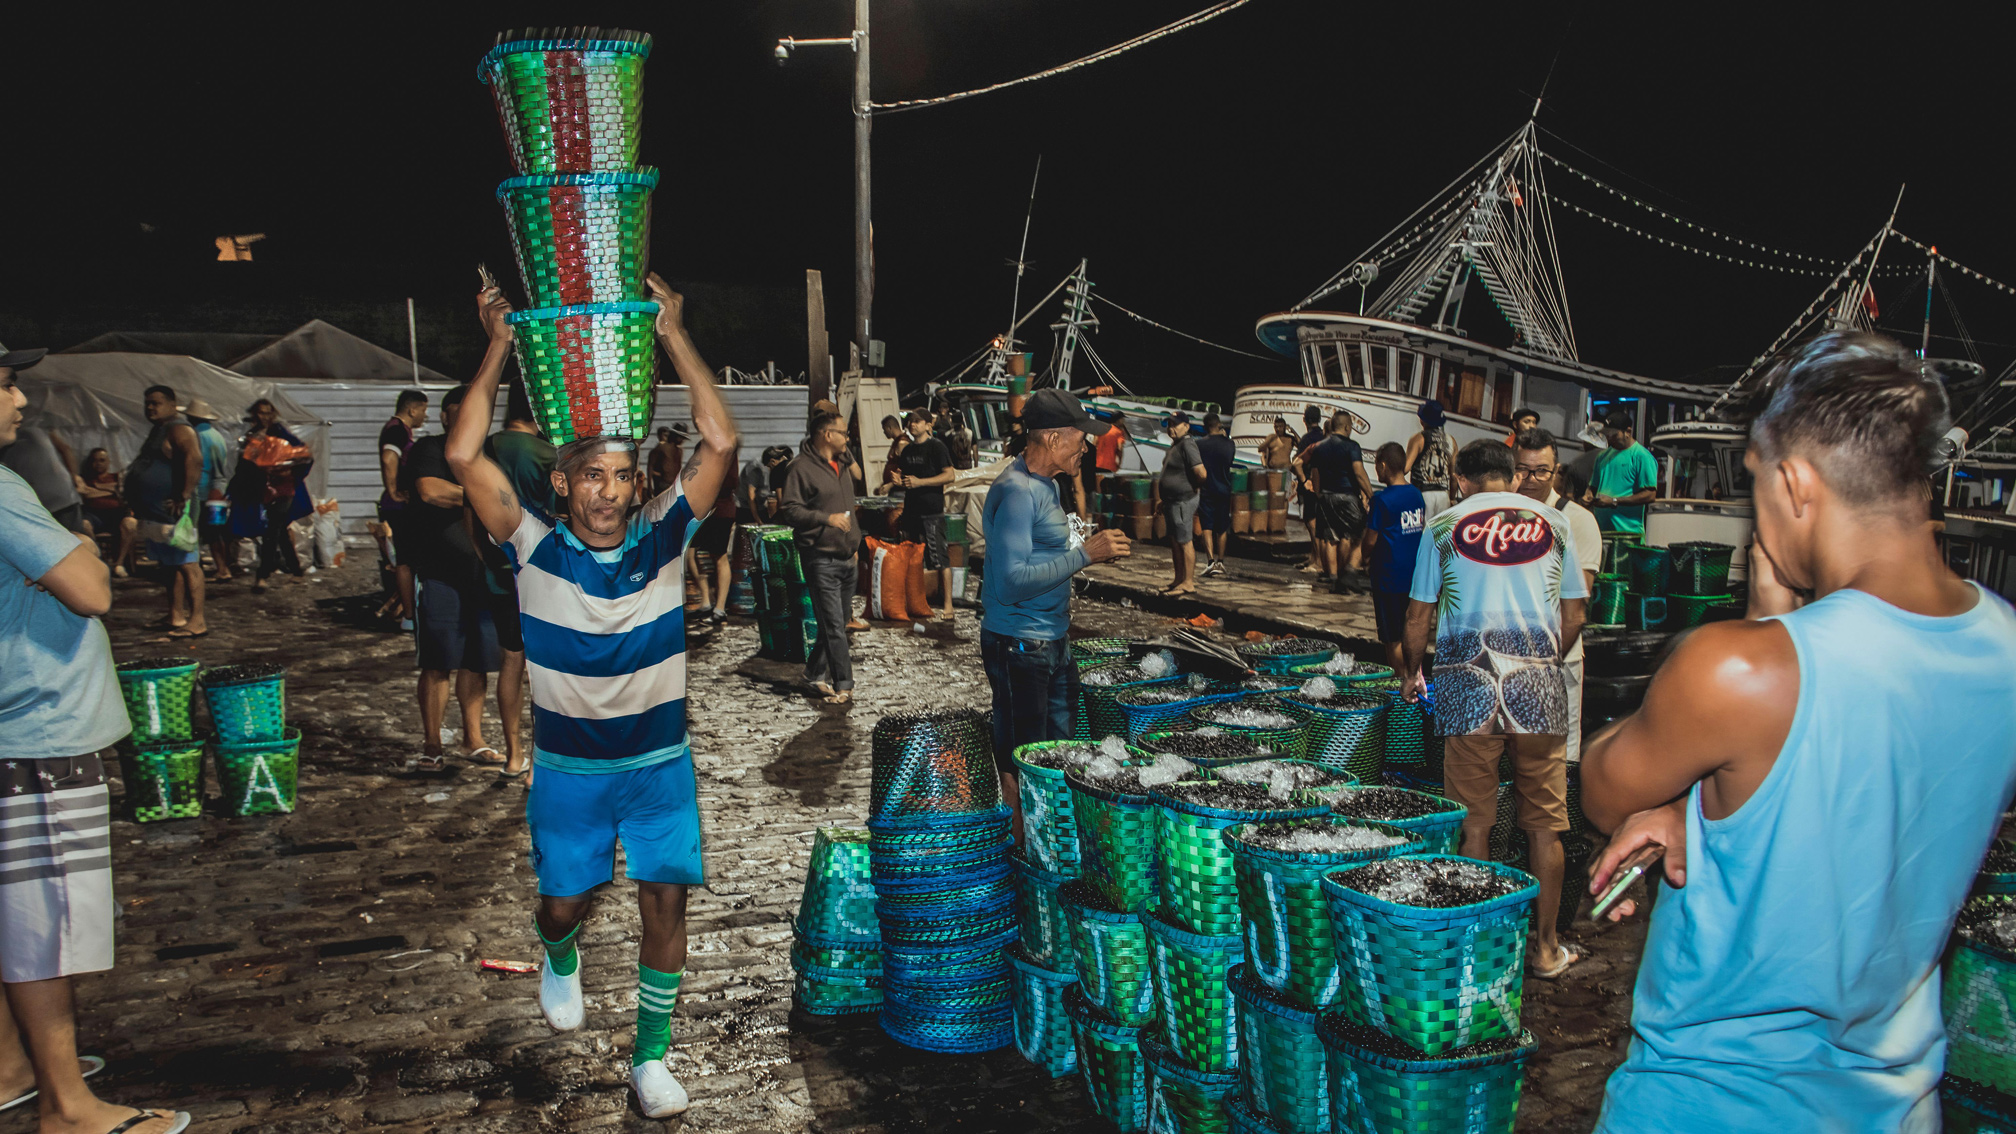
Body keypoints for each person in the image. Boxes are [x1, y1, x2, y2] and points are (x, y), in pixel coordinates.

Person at [1580, 333, 2016, 1131]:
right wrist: (1706, 806)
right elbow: (1877, 799)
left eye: (1755, 482)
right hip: (1895, 1105)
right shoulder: (2004, 645)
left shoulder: (1741, 671)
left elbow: (1604, 790)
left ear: (1794, 483)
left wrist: (1760, 623)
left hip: (1713, 1103)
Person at [449, 272, 738, 1120]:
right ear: (564, 484)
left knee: (665, 899)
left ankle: (650, 1060)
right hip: (571, 774)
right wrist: (498, 346)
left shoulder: (663, 537)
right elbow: (463, 456)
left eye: (620, 475)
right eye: (591, 476)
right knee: (562, 903)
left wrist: (672, 332)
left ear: (636, 482)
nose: (608, 491)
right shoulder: (532, 546)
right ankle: (558, 951)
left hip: (658, 767)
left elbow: (720, 442)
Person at [0, 356, 191, 1134]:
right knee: (42, 922)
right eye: (3, 383)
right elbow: (92, 588)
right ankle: (67, 1107)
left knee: (11, 907)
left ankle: (12, 1068)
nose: (18, 397)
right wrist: (75, 542)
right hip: (36, 725)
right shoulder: (3, 490)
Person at [1402, 439, 1588, 980]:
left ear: (1460, 480)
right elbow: (1576, 612)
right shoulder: (1555, 522)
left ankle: (1477, 953)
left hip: (1467, 686)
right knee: (1545, 828)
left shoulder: (1443, 527)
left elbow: (1418, 616)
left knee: (1474, 826)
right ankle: (1546, 950)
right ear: (1512, 476)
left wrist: (1412, 672)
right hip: (1539, 692)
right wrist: (1542, 661)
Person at [981, 389, 1130, 827]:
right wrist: (1085, 555)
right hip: (1019, 644)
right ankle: (1021, 849)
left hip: (1052, 640)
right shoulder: (1018, 492)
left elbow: (1044, 554)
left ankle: (1051, 842)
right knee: (1022, 763)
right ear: (1052, 439)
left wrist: (1085, 552)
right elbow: (1010, 583)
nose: (1086, 447)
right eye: (1080, 439)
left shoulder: (1048, 484)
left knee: (1058, 757)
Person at [399, 386, 506, 772]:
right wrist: (484, 495)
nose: (464, 421)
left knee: (477, 663)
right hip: (438, 574)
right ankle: (432, 745)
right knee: (437, 662)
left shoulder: (489, 454)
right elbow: (430, 491)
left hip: (483, 575)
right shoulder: (430, 448)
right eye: (457, 414)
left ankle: (472, 740)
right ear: (444, 417)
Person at [474, 383, 552, 780]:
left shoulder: (486, 448)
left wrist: (486, 557)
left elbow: (471, 513)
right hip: (543, 574)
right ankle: (540, 763)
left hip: (498, 572)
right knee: (545, 671)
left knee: (511, 660)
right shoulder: (547, 454)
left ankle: (513, 756)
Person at [1514, 429, 1601, 760]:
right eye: (1522, 470)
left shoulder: (1578, 520)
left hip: (1557, 661)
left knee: (1558, 760)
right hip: (1507, 661)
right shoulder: (1499, 518)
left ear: (1556, 471)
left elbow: (1576, 610)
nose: (1530, 480)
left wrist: (1544, 665)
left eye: (1541, 471)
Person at [781, 411, 863, 704]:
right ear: (827, 435)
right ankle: (844, 685)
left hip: (847, 557)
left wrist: (853, 545)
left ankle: (813, 674)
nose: (847, 438)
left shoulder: (842, 462)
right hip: (820, 558)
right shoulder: (800, 468)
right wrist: (826, 519)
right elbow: (789, 509)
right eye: (843, 433)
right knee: (834, 626)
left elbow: (858, 477)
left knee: (836, 624)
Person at [128, 385, 207, 638]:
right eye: (147, 403)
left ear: (172, 404)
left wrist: (184, 494)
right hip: (157, 511)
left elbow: (194, 459)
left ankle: (197, 620)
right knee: (170, 564)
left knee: (187, 562)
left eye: (156, 403)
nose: (150, 408)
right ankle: (176, 615)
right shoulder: (160, 429)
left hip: (177, 509)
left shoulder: (179, 428)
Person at [1357, 442, 1424, 674]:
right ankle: (1415, 677)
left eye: (1377, 466)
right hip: (1413, 575)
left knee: (1392, 637)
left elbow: (1370, 540)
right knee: (1410, 631)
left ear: (1383, 466)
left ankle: (1403, 682)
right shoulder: (1416, 495)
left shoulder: (1382, 500)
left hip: (1388, 576)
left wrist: (1363, 558)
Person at [237, 399, 311, 593]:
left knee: (272, 530)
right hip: (263, 488)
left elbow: (303, 457)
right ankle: (296, 571)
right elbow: (245, 464)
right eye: (261, 412)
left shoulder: (281, 433)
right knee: (279, 530)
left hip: (283, 488)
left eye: (268, 412)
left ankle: (263, 574)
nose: (265, 416)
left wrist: (287, 470)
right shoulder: (252, 435)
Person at [1293, 412, 1373, 583]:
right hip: (1347, 495)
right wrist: (1370, 494)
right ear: (1347, 427)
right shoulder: (1352, 446)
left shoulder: (1319, 447)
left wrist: (1318, 492)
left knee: (1330, 538)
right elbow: (1359, 473)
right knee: (1354, 535)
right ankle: (1346, 573)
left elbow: (1315, 472)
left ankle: (1332, 575)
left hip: (1326, 495)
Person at [892, 410, 957, 618]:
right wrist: (897, 482)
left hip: (932, 511)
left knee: (939, 558)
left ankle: (948, 605)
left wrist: (921, 482)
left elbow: (950, 475)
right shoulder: (907, 450)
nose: (913, 425)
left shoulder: (937, 447)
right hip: (911, 511)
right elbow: (906, 478)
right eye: (910, 421)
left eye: (918, 421)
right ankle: (915, 602)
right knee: (911, 558)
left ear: (928, 425)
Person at [379, 389, 429, 625]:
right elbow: (389, 457)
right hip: (399, 506)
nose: (425, 416)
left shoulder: (399, 429)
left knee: (407, 558)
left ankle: (410, 613)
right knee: (406, 560)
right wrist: (393, 491)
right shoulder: (397, 430)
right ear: (412, 409)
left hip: (399, 504)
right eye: (423, 410)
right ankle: (409, 616)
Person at [180, 398, 234, 584]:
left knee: (196, 531)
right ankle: (223, 568)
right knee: (216, 532)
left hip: (201, 491)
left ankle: (200, 568)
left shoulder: (197, 437)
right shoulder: (216, 436)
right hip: (218, 490)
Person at [0, 421, 83, 536]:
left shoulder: (34, 428)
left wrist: (74, 476)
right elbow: (65, 449)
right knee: (73, 539)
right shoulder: (35, 429)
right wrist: (74, 476)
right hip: (53, 497)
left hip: (51, 498)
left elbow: (65, 449)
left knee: (72, 539)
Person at [1157, 413, 1205, 595]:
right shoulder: (1175, 445)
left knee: (1185, 541)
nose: (1171, 428)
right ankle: (1178, 579)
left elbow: (1201, 473)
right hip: (1172, 501)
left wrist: (1192, 488)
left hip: (1183, 500)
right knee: (1176, 541)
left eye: (1175, 425)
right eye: (1169, 425)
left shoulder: (1187, 444)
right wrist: (1164, 499)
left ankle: (1188, 582)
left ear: (1186, 426)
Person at [1589, 409, 1659, 533]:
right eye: (1607, 434)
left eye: (1614, 435)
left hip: (1628, 534)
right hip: (1599, 531)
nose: (1609, 438)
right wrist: (1588, 496)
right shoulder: (1602, 457)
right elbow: (1593, 487)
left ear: (1628, 432)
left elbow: (1650, 495)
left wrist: (1614, 501)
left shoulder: (1642, 456)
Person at [76, 448, 134, 574]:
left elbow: (123, 495)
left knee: (130, 523)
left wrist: (95, 489)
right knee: (84, 524)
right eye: (95, 460)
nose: (98, 464)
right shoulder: (84, 479)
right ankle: (100, 560)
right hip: (94, 515)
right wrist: (112, 490)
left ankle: (119, 564)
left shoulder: (116, 477)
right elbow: (86, 494)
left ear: (108, 462)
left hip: (116, 514)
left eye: (102, 460)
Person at [1194, 413, 1238, 578]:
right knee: (1222, 527)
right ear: (1219, 425)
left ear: (1205, 427)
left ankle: (1210, 561)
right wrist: (1225, 438)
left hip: (1206, 489)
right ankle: (1221, 562)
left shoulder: (1199, 444)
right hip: (1224, 488)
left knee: (1207, 526)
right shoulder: (1230, 444)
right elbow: (1230, 462)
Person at [1404, 399, 1458, 519]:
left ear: (1422, 420)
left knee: (1420, 529)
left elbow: (1405, 468)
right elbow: (1454, 476)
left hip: (1422, 493)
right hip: (1443, 495)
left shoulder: (1418, 439)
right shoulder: (1451, 441)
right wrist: (1452, 498)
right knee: (1439, 530)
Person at [648, 424, 686, 498]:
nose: (682, 440)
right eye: (680, 437)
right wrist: (650, 486)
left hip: (674, 485)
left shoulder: (679, 451)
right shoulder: (662, 447)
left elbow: (678, 467)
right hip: (663, 484)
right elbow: (650, 466)